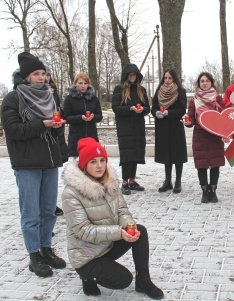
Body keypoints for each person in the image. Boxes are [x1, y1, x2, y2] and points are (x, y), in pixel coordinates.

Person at [62, 137, 164, 299]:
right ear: (84, 165)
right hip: (86, 255)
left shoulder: (110, 183)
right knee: (122, 280)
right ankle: (87, 277)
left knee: (140, 231)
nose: (100, 165)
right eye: (93, 161)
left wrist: (127, 226)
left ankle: (143, 281)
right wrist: (119, 232)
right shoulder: (72, 193)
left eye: (102, 160)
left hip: (106, 244)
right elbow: (83, 230)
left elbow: (122, 210)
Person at [1, 52, 66, 277]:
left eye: (43, 73)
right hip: (27, 163)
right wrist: (42, 124)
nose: (42, 77)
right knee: (31, 212)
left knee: (49, 211)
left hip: (49, 161)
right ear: (25, 76)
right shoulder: (13, 98)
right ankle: (33, 255)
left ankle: (46, 248)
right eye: (36, 74)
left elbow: (56, 129)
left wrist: (58, 128)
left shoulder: (51, 96)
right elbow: (13, 131)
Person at [183, 72, 225, 203]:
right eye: (202, 81)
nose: (205, 83)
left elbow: (223, 116)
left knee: (215, 163)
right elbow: (191, 118)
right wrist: (188, 122)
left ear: (211, 83)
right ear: (198, 84)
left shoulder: (217, 98)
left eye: (207, 81)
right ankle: (204, 191)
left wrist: (225, 132)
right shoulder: (194, 100)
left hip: (214, 135)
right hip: (200, 135)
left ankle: (213, 191)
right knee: (201, 164)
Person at [112, 64, 149, 195]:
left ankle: (132, 180)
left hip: (138, 126)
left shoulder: (141, 90)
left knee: (136, 154)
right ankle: (124, 181)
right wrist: (130, 109)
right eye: (130, 74)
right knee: (127, 155)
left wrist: (142, 109)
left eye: (134, 74)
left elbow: (147, 107)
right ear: (126, 76)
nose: (132, 77)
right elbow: (115, 107)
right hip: (125, 127)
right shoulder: (119, 89)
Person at [151, 69, 188, 193]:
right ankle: (168, 181)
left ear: (174, 79)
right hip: (162, 127)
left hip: (175, 126)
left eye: (170, 78)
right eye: (165, 78)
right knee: (166, 154)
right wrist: (156, 113)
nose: (167, 81)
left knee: (177, 154)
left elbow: (182, 110)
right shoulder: (159, 91)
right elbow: (154, 107)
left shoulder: (180, 91)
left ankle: (178, 181)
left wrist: (168, 113)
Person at [45, 64, 67, 217]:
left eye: (46, 74)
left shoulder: (54, 93)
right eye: (40, 74)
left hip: (55, 135)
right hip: (42, 136)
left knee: (52, 174)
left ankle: (51, 204)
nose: (44, 77)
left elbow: (57, 110)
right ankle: (46, 207)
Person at [63, 72, 102, 157]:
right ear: (75, 84)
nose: (83, 86)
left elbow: (99, 116)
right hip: (75, 137)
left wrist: (93, 117)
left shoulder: (94, 99)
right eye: (80, 83)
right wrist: (80, 117)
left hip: (91, 136)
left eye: (85, 83)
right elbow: (66, 118)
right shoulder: (69, 99)